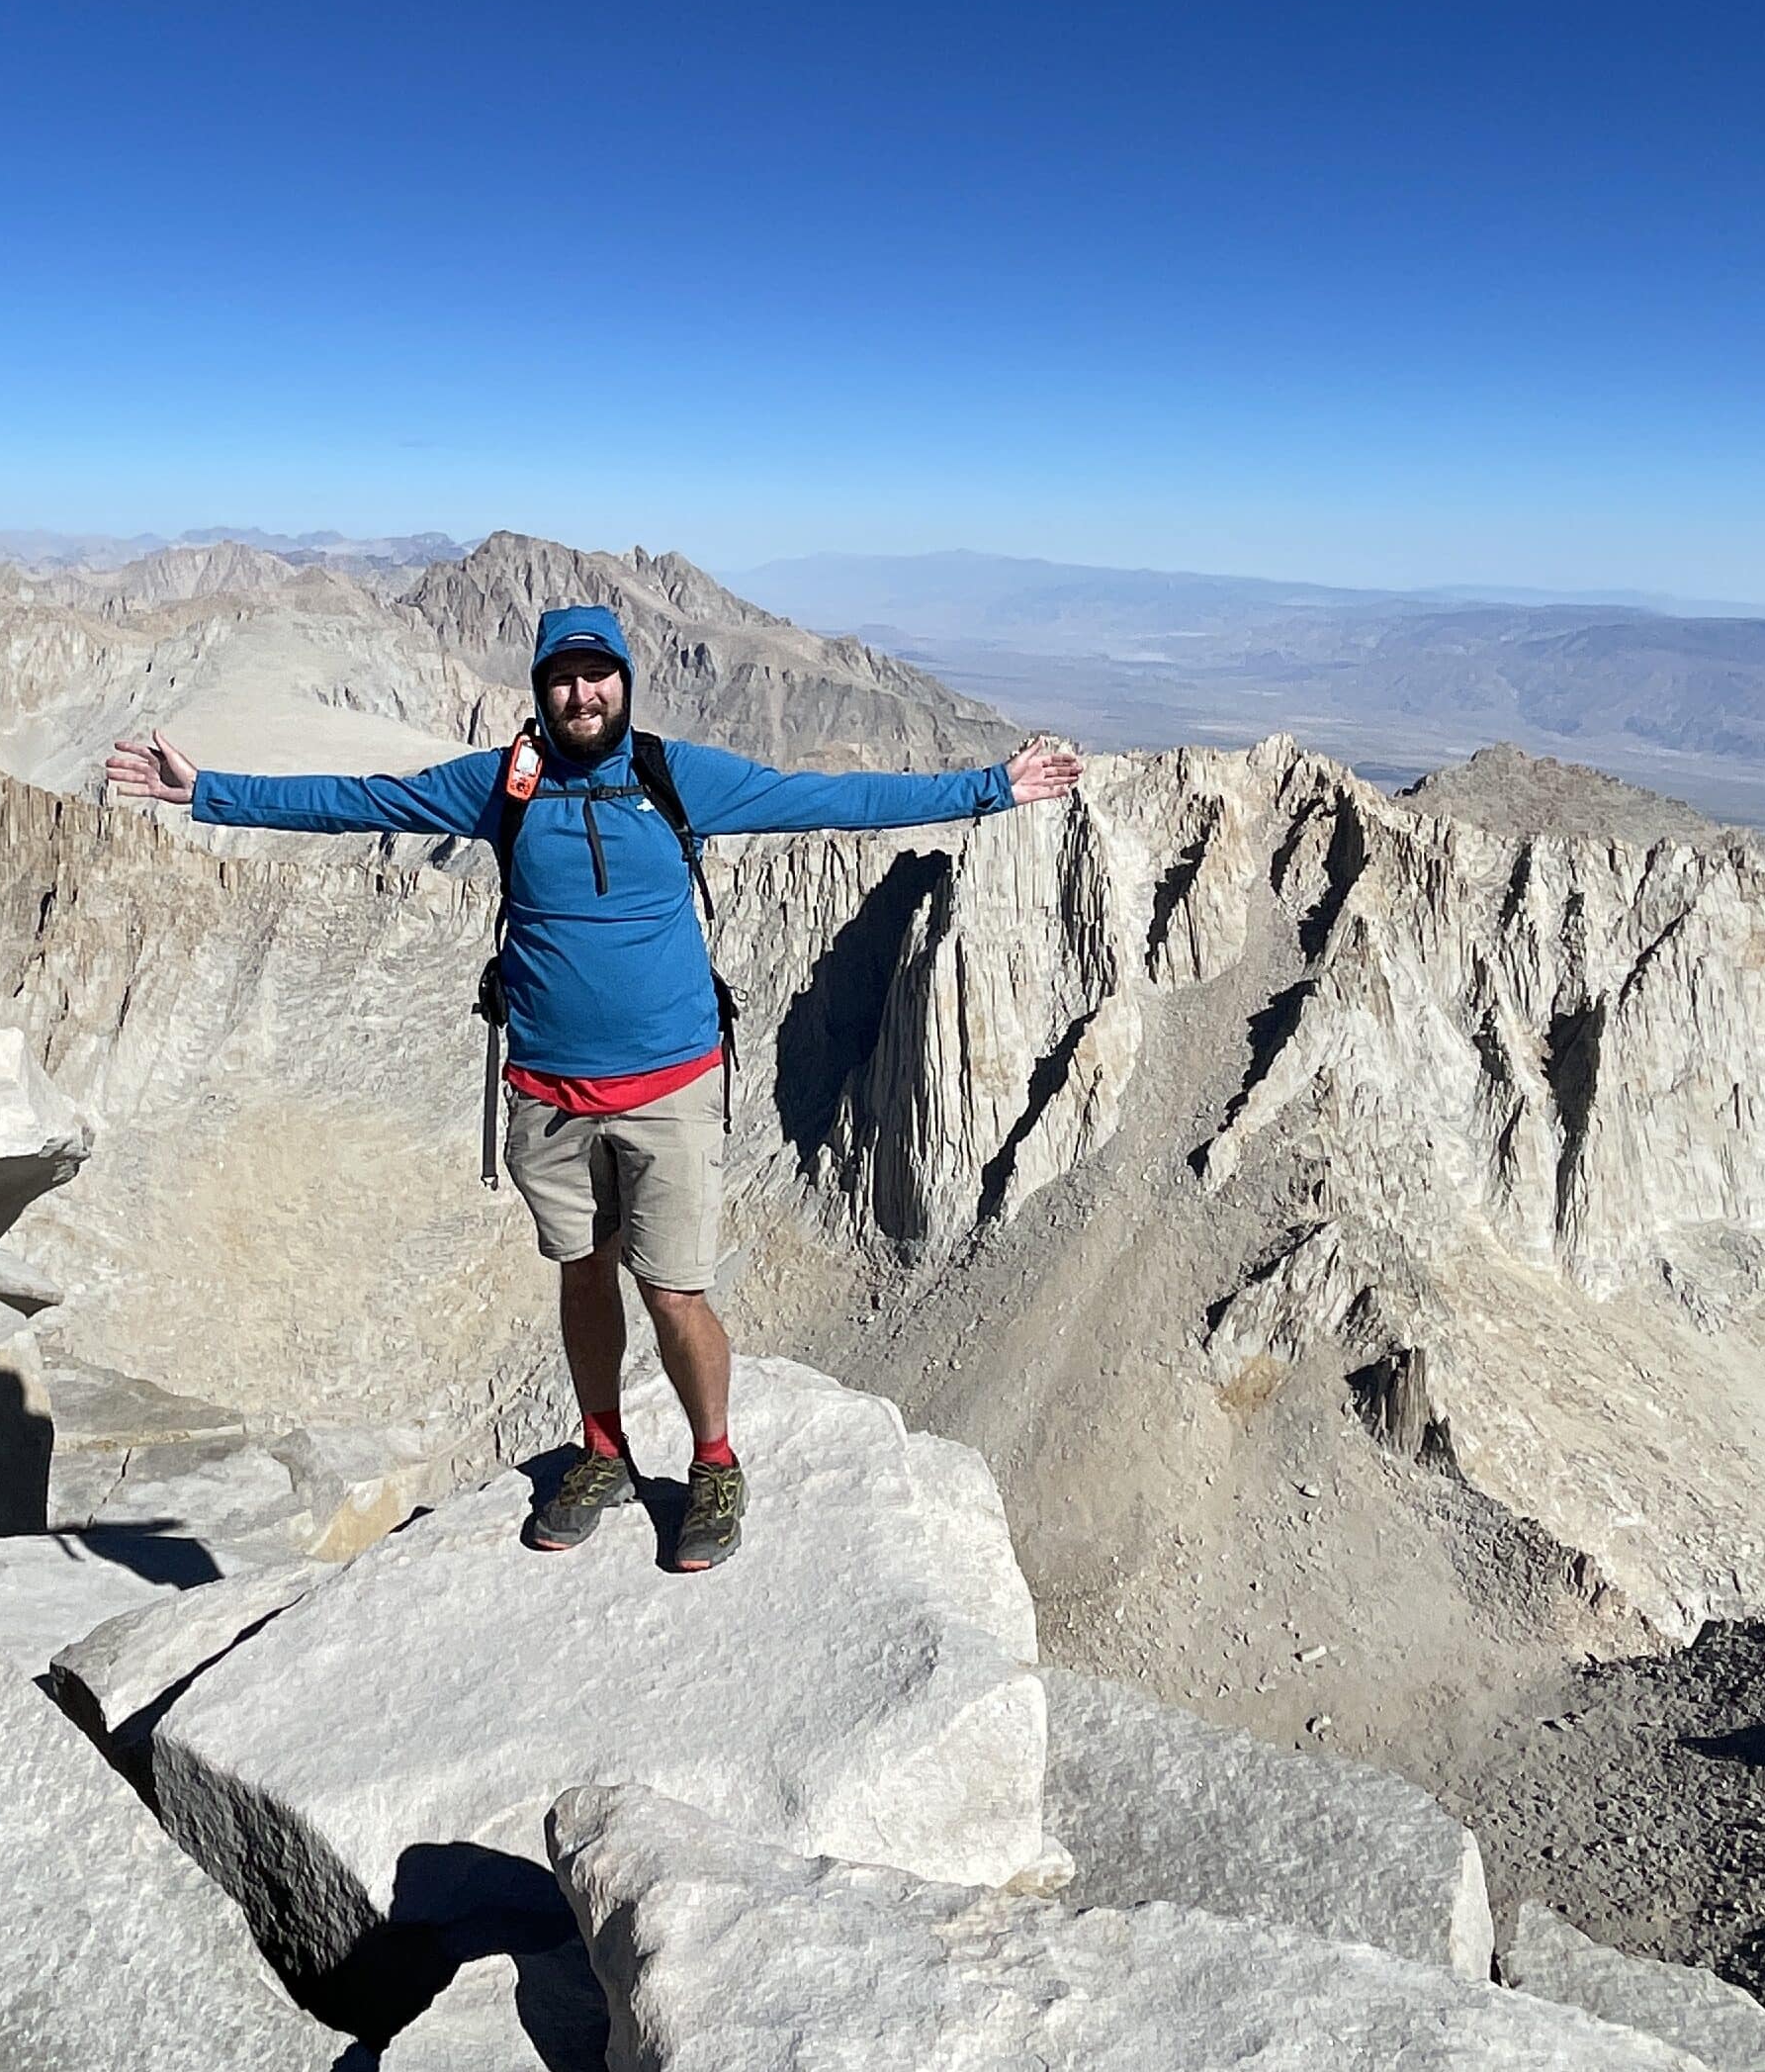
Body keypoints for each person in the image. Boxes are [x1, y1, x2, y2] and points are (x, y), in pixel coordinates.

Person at [106, 601, 1082, 1571]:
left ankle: (713, 1463)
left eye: (598, 673)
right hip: (546, 1095)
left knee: (673, 1288)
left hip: (671, 1090)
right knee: (583, 1270)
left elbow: (832, 797)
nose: (583, 692)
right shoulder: (505, 786)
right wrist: (209, 792)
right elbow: (366, 800)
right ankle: (604, 1450)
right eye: (563, 678)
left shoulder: (675, 776)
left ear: (624, 681)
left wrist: (997, 786)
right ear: (542, 692)